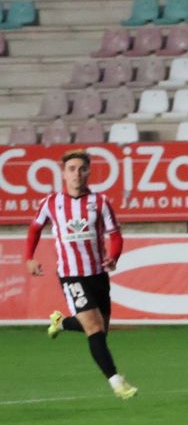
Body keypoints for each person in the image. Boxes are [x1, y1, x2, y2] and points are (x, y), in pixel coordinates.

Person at [25, 150, 138, 400]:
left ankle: (61, 322)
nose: (77, 174)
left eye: (82, 169)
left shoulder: (100, 202)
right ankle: (117, 383)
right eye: (72, 169)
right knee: (95, 328)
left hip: (97, 274)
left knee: (100, 328)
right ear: (64, 173)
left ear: (89, 172)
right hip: (71, 275)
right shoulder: (51, 203)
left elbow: (116, 234)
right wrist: (30, 258)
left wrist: (114, 256)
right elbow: (34, 229)